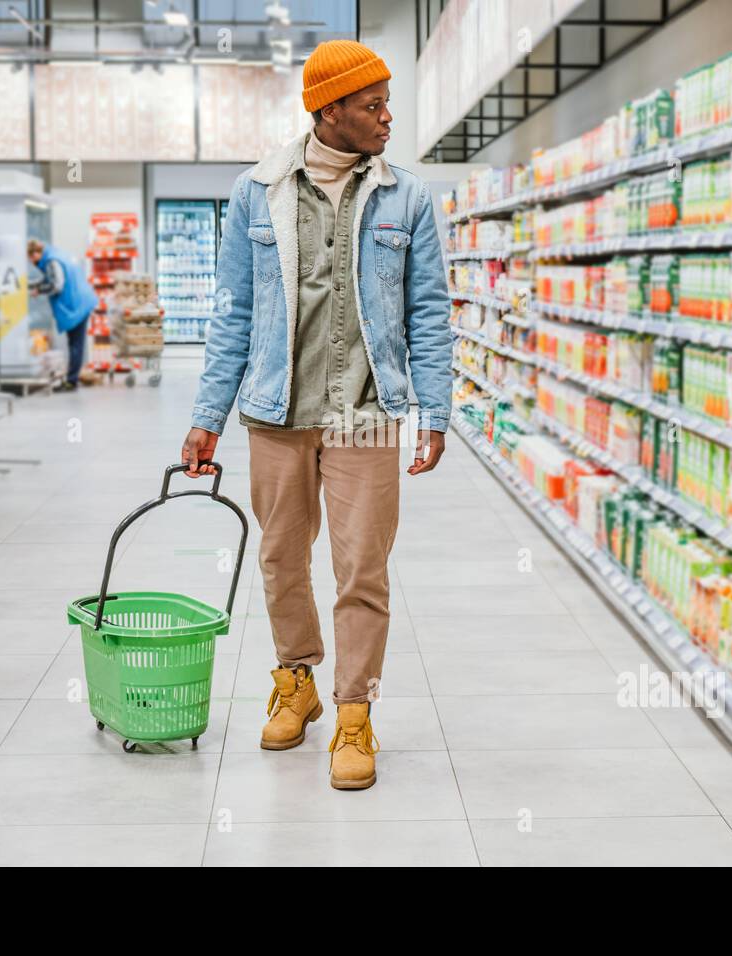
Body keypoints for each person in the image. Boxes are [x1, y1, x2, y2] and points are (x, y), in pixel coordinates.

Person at [181, 39, 452, 790]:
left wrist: (435, 408)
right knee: (280, 559)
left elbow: (428, 311)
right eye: (373, 105)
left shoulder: (409, 198)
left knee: (361, 567)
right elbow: (232, 310)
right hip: (276, 412)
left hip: (367, 411)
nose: (387, 118)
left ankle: (354, 711)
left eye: (386, 103)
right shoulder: (256, 192)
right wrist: (208, 415)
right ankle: (295, 678)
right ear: (327, 110)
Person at [28, 238, 97, 392]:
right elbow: (48, 278)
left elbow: (56, 285)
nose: (31, 262)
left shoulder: (52, 261)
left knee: (75, 343)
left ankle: (71, 382)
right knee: (74, 342)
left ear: (37, 253)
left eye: (31, 257)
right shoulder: (54, 256)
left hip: (76, 305)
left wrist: (39, 291)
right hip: (78, 303)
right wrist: (29, 285)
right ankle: (71, 379)